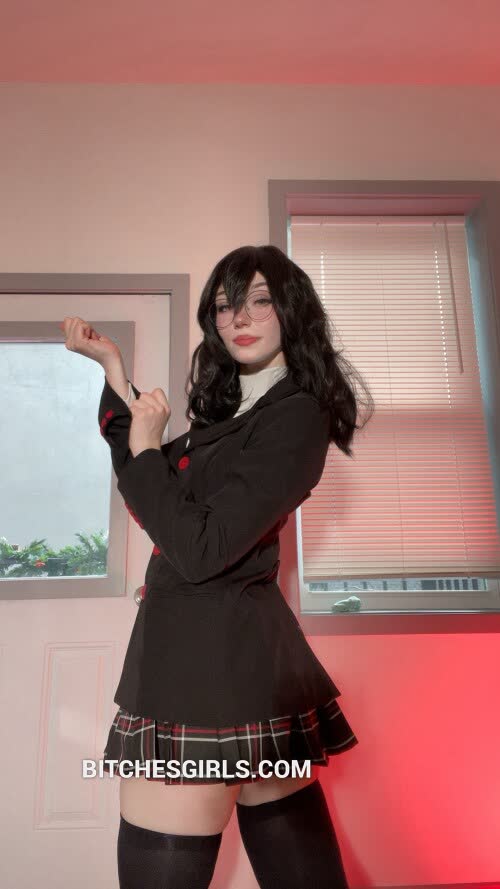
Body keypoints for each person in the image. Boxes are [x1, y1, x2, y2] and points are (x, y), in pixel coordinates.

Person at [60, 244, 374, 889]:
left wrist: (148, 451)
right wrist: (114, 370)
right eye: (227, 305)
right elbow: (148, 480)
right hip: (230, 660)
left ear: (292, 310)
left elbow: (199, 549)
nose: (241, 318)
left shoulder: (296, 413)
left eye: (261, 300)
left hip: (209, 667)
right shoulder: (230, 416)